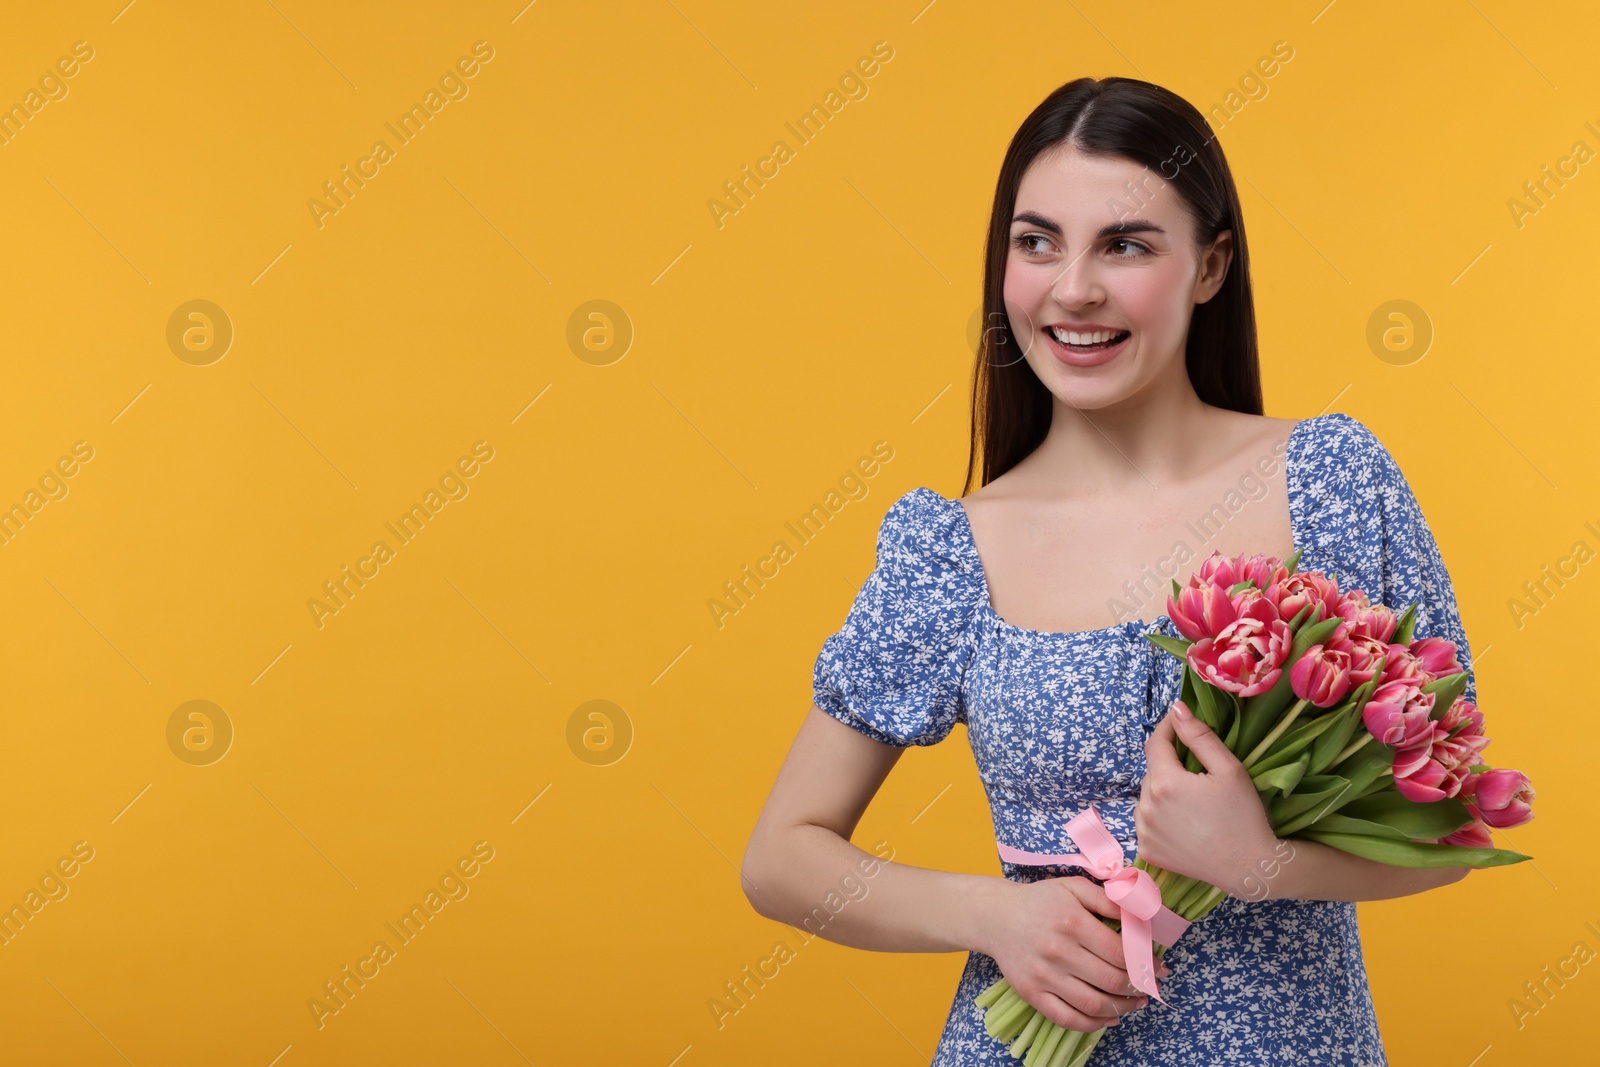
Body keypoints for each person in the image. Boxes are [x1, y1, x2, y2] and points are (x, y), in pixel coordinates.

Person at [740, 76, 1475, 1065]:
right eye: (1035, 241)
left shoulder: (1330, 480)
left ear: (1210, 265)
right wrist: (997, 915)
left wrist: (1258, 862)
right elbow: (782, 855)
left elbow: (1451, 825)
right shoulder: (951, 547)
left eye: (1123, 244)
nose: (1071, 287)